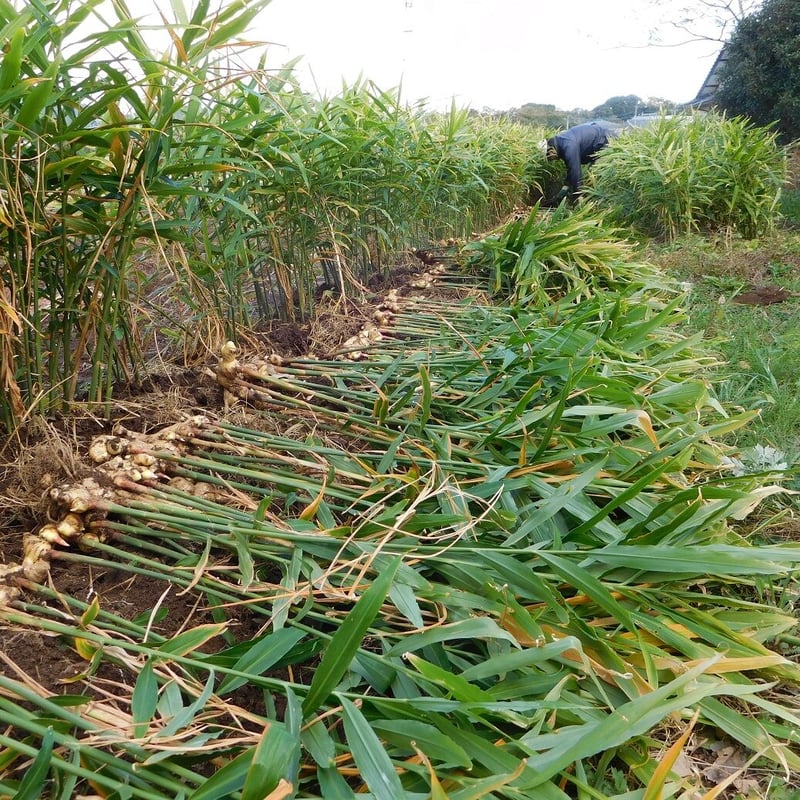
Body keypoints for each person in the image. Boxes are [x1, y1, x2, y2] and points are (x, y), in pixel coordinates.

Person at [540, 121, 617, 201]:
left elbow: (575, 170)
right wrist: (565, 187)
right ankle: (591, 200)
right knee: (591, 176)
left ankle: (602, 203)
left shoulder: (568, 145)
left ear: (550, 151)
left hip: (606, 140)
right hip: (599, 143)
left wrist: (579, 194)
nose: (551, 160)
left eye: (549, 158)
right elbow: (570, 168)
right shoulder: (561, 143)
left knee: (597, 174)